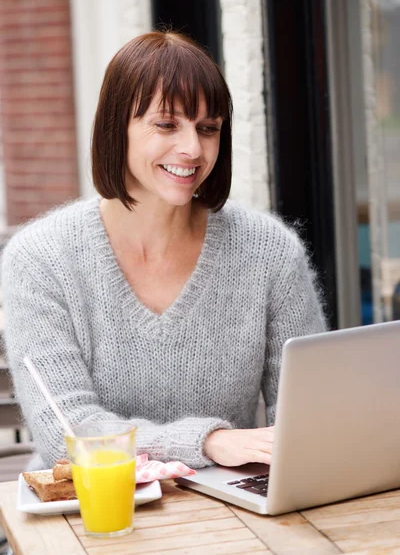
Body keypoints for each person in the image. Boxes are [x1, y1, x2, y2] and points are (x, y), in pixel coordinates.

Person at [2, 31, 326, 471]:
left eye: (208, 128)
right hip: (91, 519)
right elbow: (68, 433)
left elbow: (307, 417)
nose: (192, 148)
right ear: (117, 127)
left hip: (227, 512)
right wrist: (207, 441)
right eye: (167, 124)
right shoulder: (39, 260)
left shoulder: (271, 254)